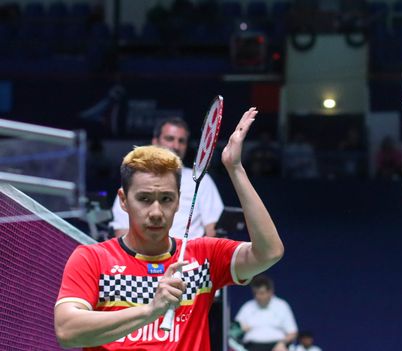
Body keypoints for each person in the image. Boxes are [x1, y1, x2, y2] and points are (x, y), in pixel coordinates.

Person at [54, 108, 285, 350]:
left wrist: (235, 169)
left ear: (178, 200)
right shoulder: (92, 259)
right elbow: (67, 330)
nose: (155, 212)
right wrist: (151, 311)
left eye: (166, 199)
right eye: (144, 199)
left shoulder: (202, 258)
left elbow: (269, 253)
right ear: (123, 200)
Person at [109, 116, 224, 239]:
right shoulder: (136, 179)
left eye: (181, 141)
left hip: (188, 255)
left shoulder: (201, 180)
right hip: (143, 255)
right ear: (155, 142)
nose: (176, 146)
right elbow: (121, 232)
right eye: (169, 139)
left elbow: (214, 230)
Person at [235, 275, 298, 351]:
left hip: (276, 346)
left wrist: (282, 343)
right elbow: (233, 332)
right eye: (255, 293)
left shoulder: (282, 305)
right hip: (251, 347)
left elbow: (293, 333)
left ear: (270, 292)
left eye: (261, 293)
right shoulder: (247, 307)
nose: (258, 296)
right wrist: (241, 329)